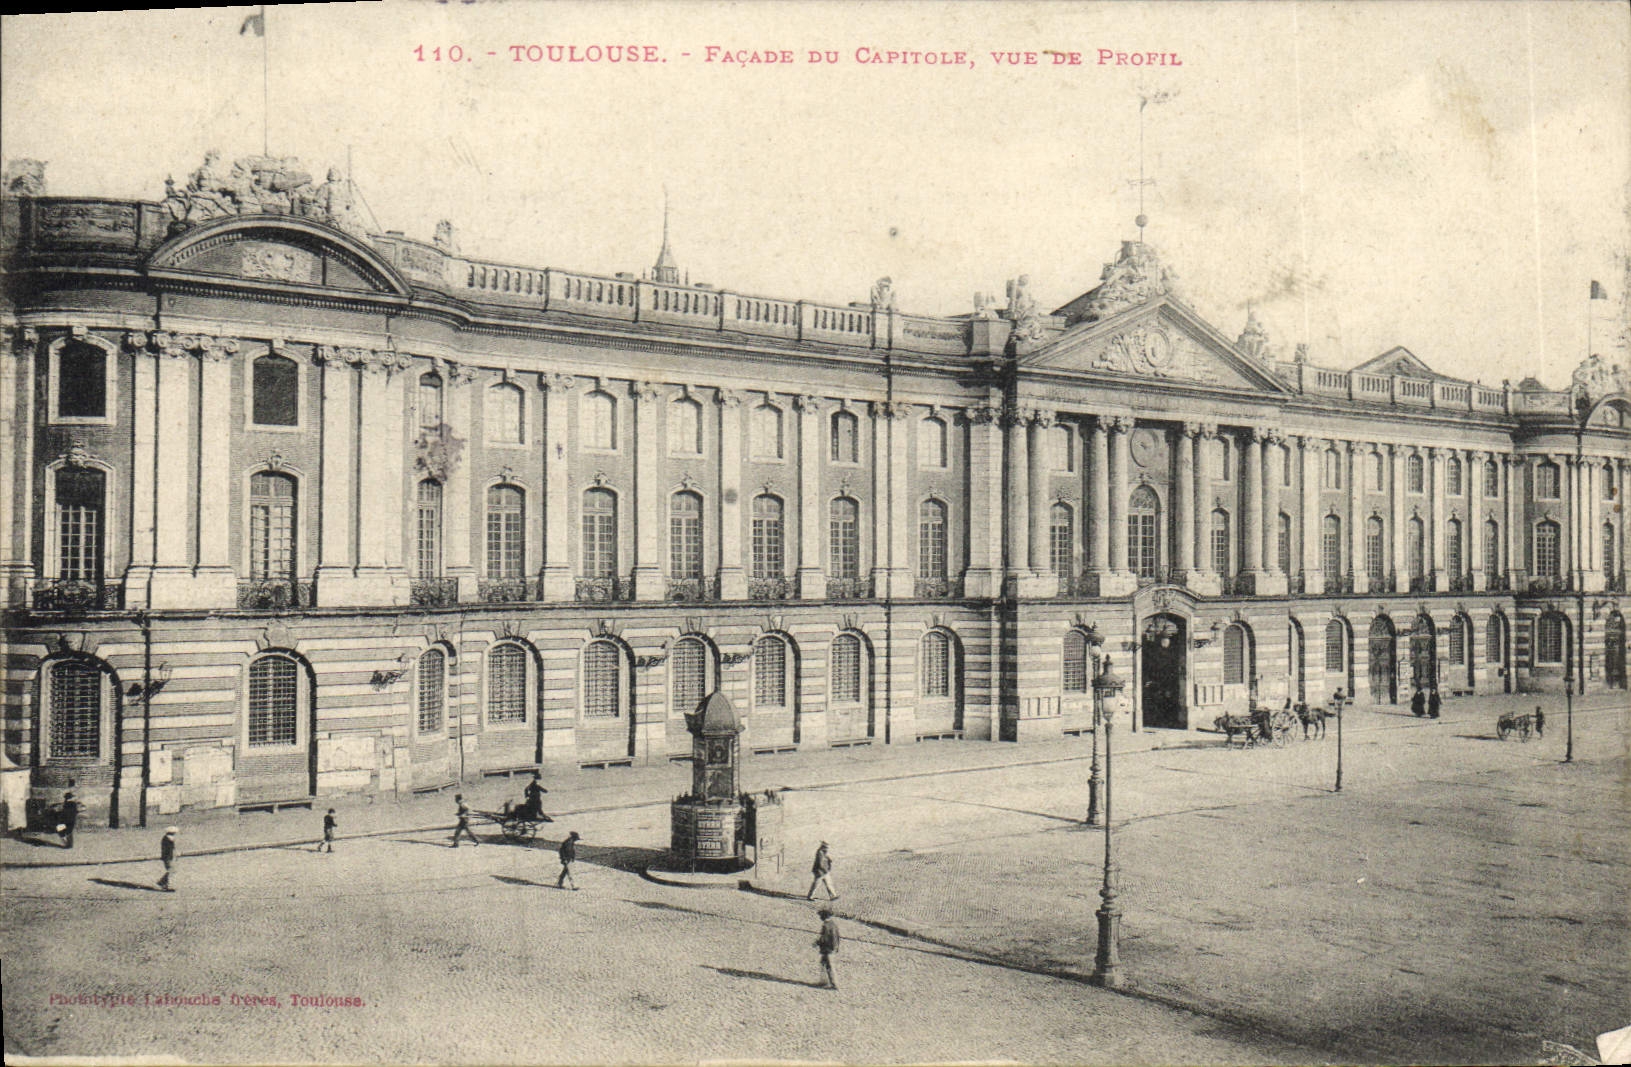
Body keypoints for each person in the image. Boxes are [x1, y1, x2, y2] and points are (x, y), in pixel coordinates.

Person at [814, 907, 841, 990]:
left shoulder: (825, 926)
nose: (820, 917)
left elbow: (824, 938)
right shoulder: (833, 924)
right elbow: (837, 936)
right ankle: (824, 981)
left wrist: (816, 943)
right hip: (832, 948)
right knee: (823, 963)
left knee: (829, 966)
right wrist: (836, 947)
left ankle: (834, 984)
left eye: (821, 915)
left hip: (827, 949)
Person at [157, 827, 179, 892]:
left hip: (169, 856)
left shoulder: (169, 838)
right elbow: (167, 849)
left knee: (171, 870)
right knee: (171, 870)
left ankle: (164, 884)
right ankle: (162, 882)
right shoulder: (167, 839)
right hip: (167, 857)